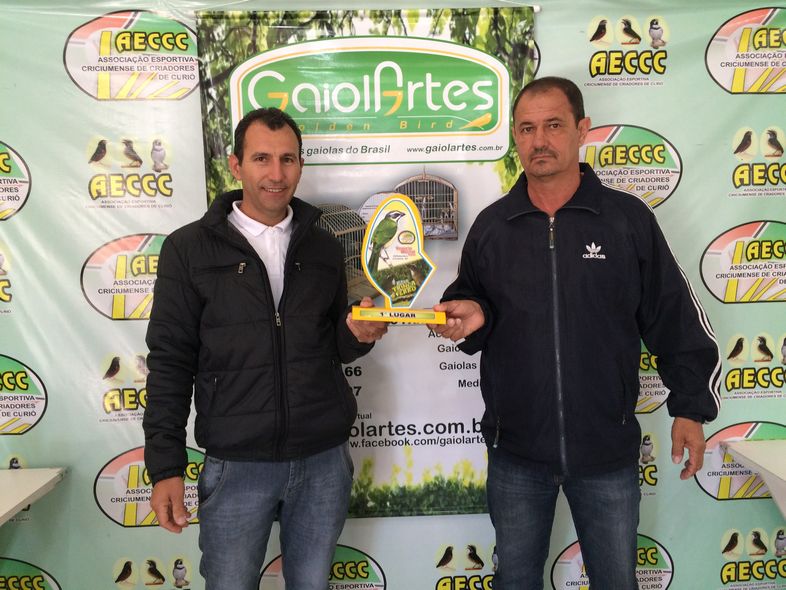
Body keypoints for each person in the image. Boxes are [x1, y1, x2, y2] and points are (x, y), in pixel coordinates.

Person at [429, 77, 721, 589]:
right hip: (516, 454)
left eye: (553, 126)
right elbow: (471, 310)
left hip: (606, 453)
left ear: (582, 130)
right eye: (527, 129)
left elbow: (674, 316)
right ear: (515, 137)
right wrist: (469, 317)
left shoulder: (626, 221)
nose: (539, 140)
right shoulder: (493, 227)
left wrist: (691, 408)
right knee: (515, 581)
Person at [142, 107, 387, 589]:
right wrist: (166, 467)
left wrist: (357, 335)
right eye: (261, 158)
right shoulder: (188, 250)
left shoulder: (323, 246)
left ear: (300, 164)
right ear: (235, 165)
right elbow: (170, 361)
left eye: (288, 159)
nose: (277, 174)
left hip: (322, 460)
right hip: (237, 465)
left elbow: (333, 345)